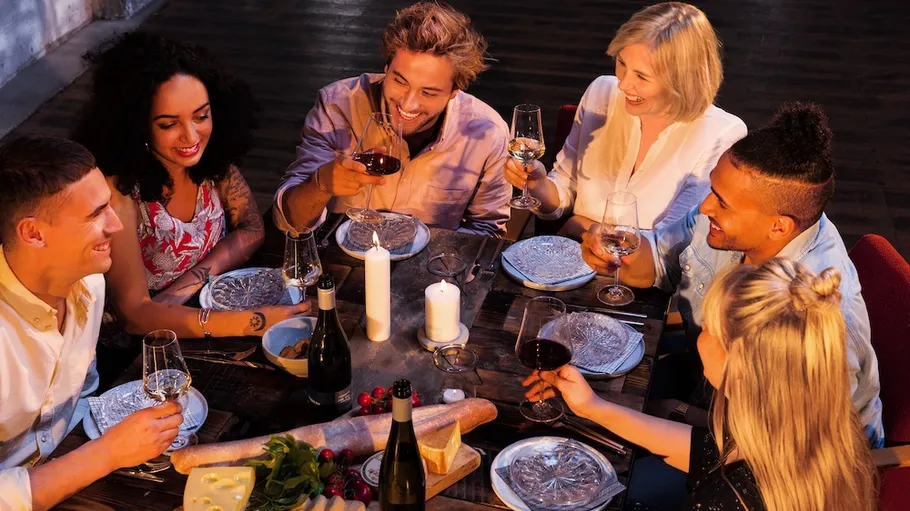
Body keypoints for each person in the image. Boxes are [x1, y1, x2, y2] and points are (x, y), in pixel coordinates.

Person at [581, 102, 883, 446]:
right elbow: (662, 261)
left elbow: (799, 453)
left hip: (760, 459)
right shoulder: (730, 219)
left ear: (778, 226)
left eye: (722, 203)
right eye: (713, 190)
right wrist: (617, 253)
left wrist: (681, 415)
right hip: (700, 389)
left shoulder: (813, 314)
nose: (706, 206)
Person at [524, 259, 877, 511]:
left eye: (709, 326)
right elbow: (703, 452)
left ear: (737, 361)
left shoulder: (730, 498)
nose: (700, 333)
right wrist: (591, 406)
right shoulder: (803, 422)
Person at [72, 32, 308, 339]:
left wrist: (191, 282)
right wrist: (253, 321)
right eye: (169, 124)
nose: (191, 136)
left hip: (208, 312)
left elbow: (252, 227)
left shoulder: (211, 164)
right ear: (136, 124)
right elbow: (135, 315)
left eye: (201, 116)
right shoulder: (117, 193)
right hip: (147, 349)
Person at [0, 136, 184, 511]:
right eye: (95, 214)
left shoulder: (89, 283)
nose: (116, 225)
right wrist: (108, 453)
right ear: (33, 233)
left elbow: (81, 396)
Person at [505, 2, 746, 238]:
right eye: (621, 63)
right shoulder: (601, 92)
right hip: (575, 263)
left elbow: (670, 243)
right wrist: (538, 184)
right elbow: (565, 188)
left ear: (682, 81)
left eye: (641, 76)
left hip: (642, 277)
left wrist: (586, 227)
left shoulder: (720, 133)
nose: (623, 84)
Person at [275, 1, 511, 237]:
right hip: (344, 260)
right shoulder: (337, 105)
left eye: (428, 93)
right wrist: (320, 184)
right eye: (399, 81)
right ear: (386, 68)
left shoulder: (488, 133)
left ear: (454, 92)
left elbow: (487, 233)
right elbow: (290, 223)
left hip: (429, 268)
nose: (408, 104)